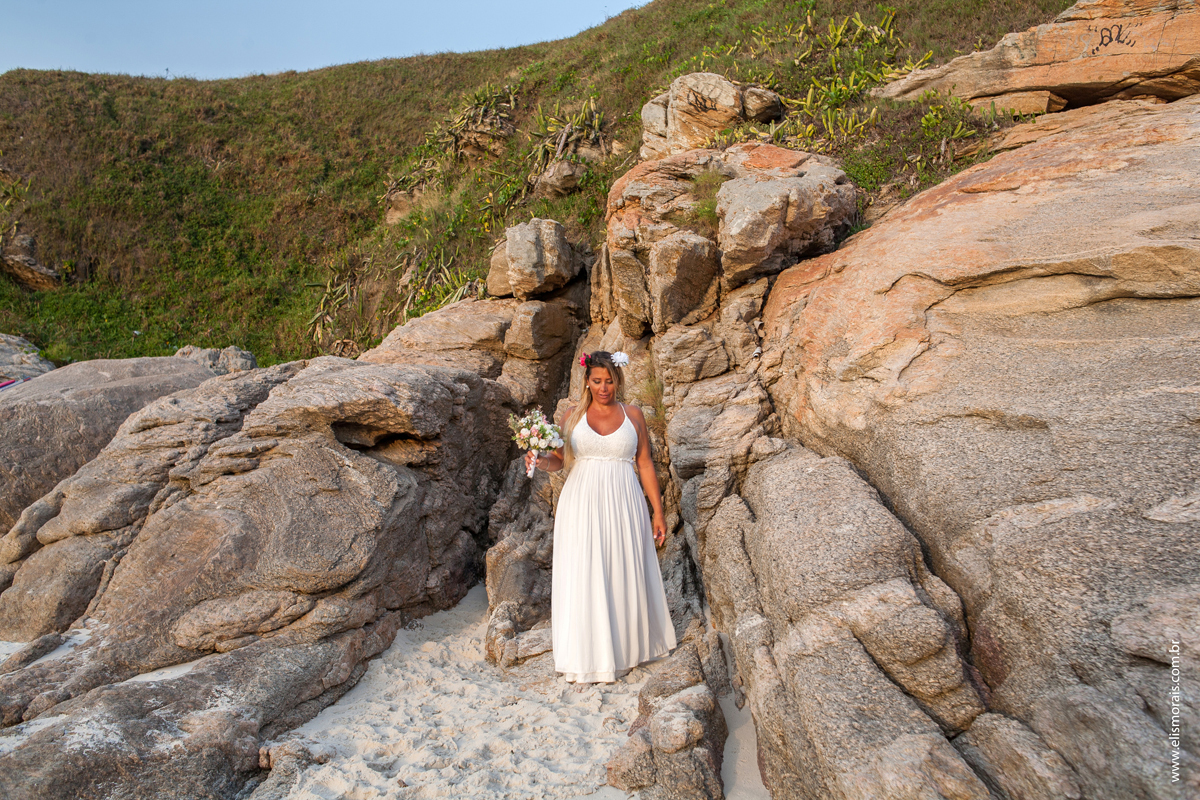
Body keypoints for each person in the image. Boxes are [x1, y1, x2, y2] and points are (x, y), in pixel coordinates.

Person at [526, 350, 677, 683]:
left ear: (618, 379)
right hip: (581, 503)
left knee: (623, 570)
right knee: (586, 572)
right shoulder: (571, 417)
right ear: (587, 381)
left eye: (609, 381)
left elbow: (645, 463)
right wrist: (538, 457)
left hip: (625, 501)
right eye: (597, 381)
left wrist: (658, 512)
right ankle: (588, 655)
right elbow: (558, 461)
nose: (604, 387)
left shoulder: (633, 415)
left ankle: (624, 651)